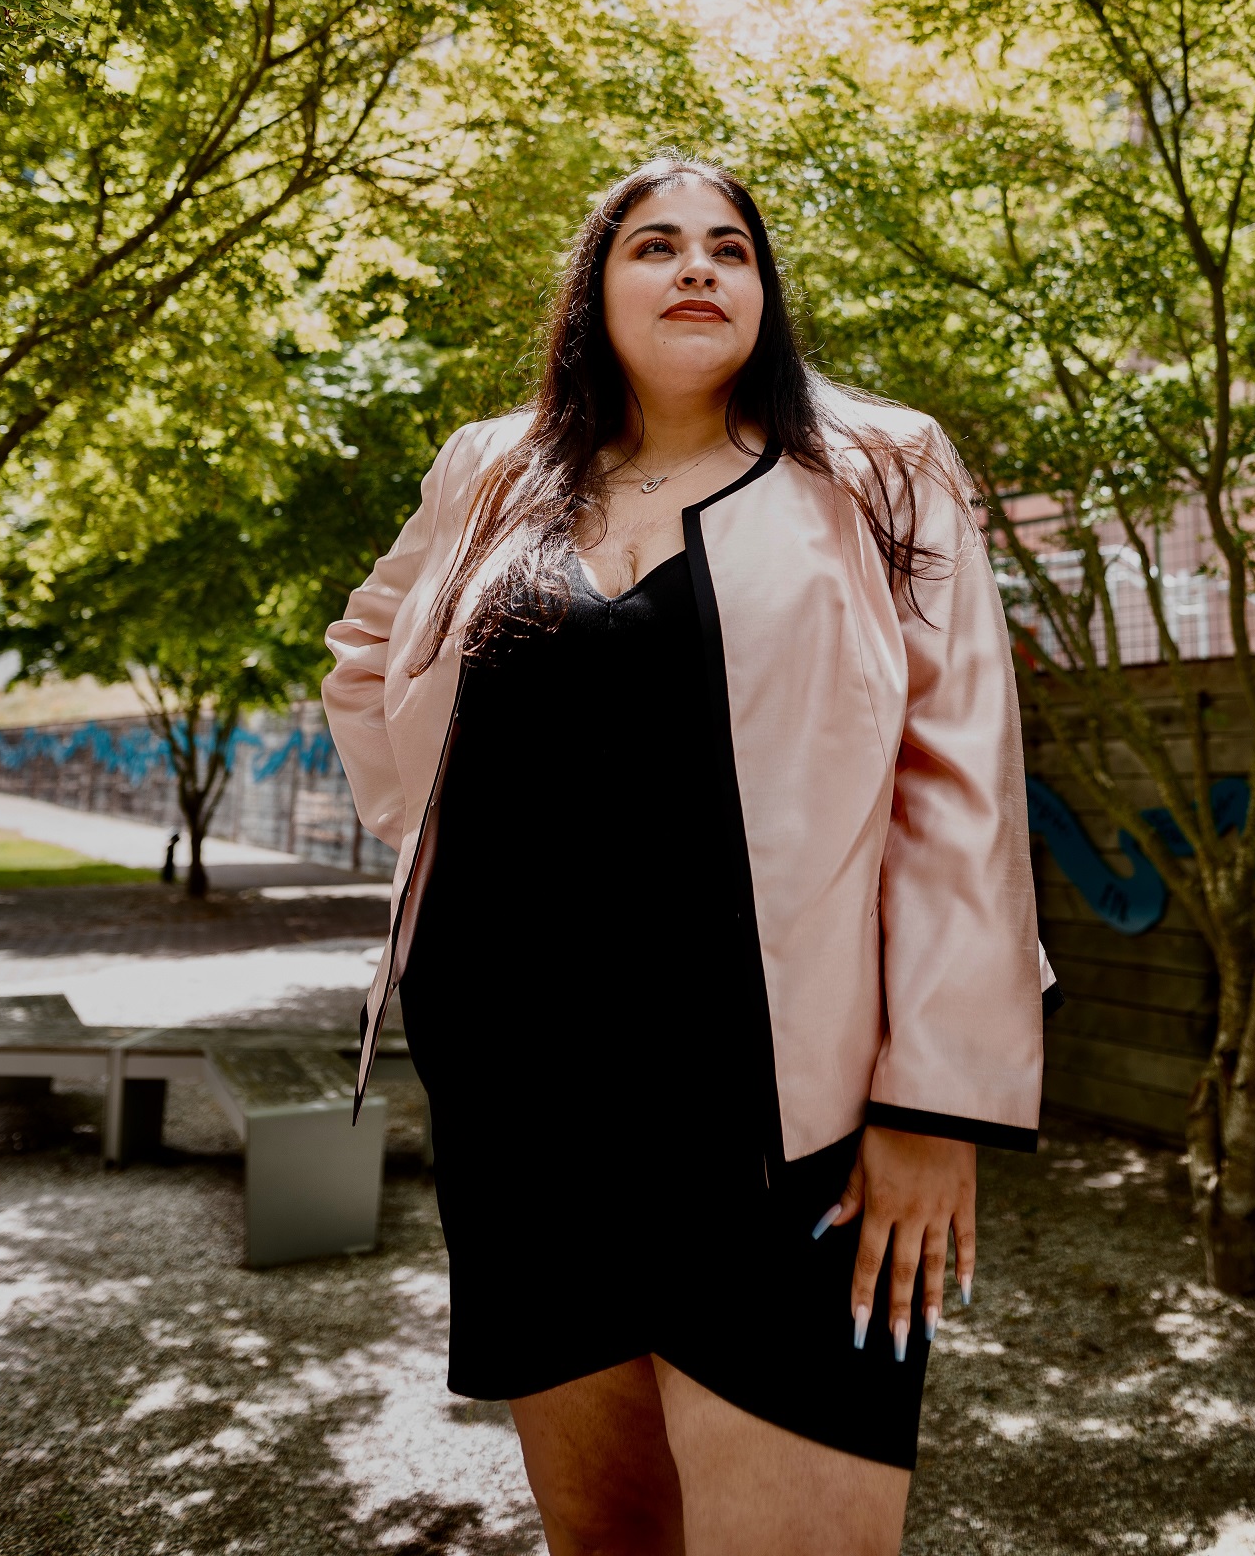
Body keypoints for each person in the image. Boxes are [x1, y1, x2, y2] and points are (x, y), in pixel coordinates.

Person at [323, 156, 1053, 1556]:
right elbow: (370, 656)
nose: (698, 268)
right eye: (655, 246)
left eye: (730, 246)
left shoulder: (883, 468)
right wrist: (440, 833)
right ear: (597, 291)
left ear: (765, 292)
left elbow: (960, 787)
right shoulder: (492, 470)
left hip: (785, 1127)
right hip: (526, 1108)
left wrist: (936, 1105)